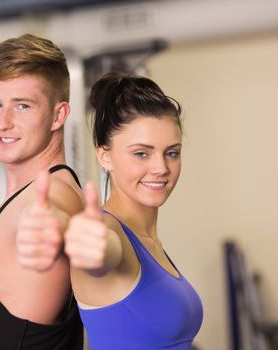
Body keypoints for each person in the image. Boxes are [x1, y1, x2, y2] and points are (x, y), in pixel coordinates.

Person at [0, 33, 85, 350]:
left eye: (22, 106)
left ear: (58, 114)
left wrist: (54, 227)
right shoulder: (33, 192)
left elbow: (52, 216)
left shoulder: (48, 198)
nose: (3, 123)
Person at [64, 72, 203, 349]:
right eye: (141, 153)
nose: (161, 168)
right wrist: (91, 246)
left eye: (171, 152)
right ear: (105, 155)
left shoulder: (150, 241)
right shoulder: (109, 232)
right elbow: (103, 253)